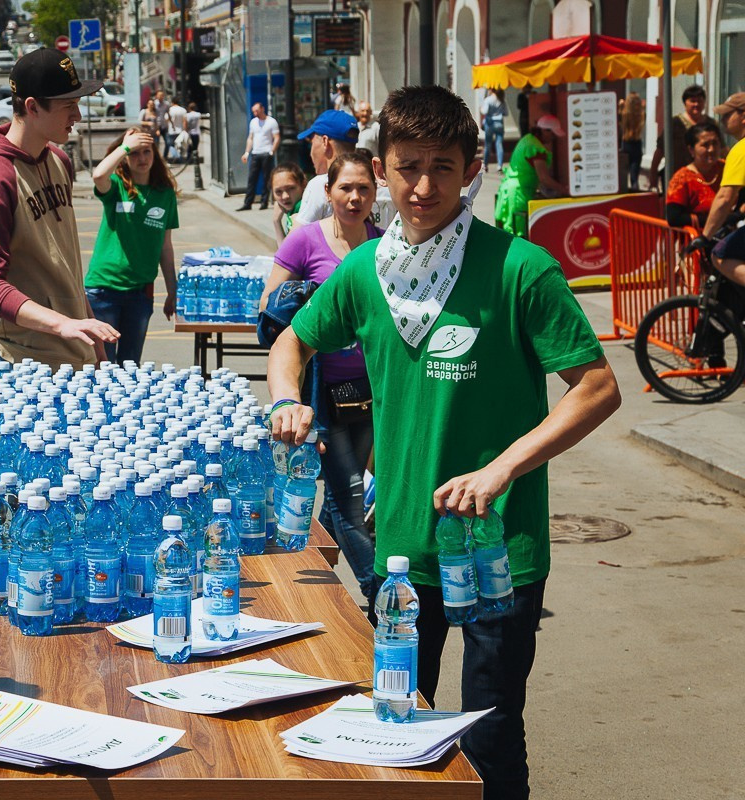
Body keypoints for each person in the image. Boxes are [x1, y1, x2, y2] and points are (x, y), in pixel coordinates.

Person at [268, 84, 620, 800]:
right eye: (408, 168)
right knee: (397, 731)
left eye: (443, 168)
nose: (424, 187)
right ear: (382, 169)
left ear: (472, 170)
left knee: (491, 737)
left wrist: (501, 469)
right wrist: (285, 399)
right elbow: (291, 343)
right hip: (403, 549)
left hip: (500, 548)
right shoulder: (365, 271)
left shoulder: (520, 268)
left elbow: (597, 387)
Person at [262, 151, 382, 606]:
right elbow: (269, 308)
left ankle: (316, 583)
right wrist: (313, 302)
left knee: (341, 496)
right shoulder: (305, 240)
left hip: (370, 393)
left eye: (364, 189)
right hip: (320, 396)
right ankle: (382, 598)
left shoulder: (385, 245)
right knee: (349, 498)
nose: (355, 197)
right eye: (345, 188)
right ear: (328, 191)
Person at [0, 48, 118, 372]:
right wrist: (62, 324)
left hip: (75, 350)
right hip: (22, 359)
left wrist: (95, 345)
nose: (78, 115)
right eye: (68, 106)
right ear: (32, 107)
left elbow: (66, 268)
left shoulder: (59, 160)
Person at [84, 128, 179, 364]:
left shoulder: (165, 194)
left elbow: (165, 247)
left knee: (130, 366)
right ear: (125, 158)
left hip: (139, 293)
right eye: (134, 153)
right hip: (104, 290)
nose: (142, 158)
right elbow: (98, 176)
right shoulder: (116, 186)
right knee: (103, 366)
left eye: (147, 152)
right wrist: (125, 146)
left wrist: (172, 290)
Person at [494, 114, 569, 237]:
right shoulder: (535, 148)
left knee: (510, 232)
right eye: (552, 134)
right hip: (519, 194)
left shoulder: (527, 139)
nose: (553, 138)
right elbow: (544, 178)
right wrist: (563, 189)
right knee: (518, 234)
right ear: (544, 131)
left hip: (510, 190)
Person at [291, 110, 358, 227]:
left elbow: (297, 236)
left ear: (325, 142)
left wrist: (293, 221)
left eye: (311, 143)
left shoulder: (319, 185)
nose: (310, 153)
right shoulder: (374, 182)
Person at [700, 92, 745, 241]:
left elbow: (725, 197)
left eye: (727, 115)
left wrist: (705, 237)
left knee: (720, 253)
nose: (723, 120)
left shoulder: (740, 150)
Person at [664, 120, 724, 228]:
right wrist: (719, 220)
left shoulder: (727, 168)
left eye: (715, 143)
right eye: (705, 145)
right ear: (691, 150)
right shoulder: (682, 178)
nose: (711, 149)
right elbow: (674, 218)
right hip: (697, 235)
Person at [648, 84, 707, 190]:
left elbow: (721, 149)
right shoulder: (674, 124)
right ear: (685, 103)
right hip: (677, 178)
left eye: (699, 101)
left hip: (704, 179)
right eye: (692, 101)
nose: (696, 104)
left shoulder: (710, 124)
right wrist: (653, 175)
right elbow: (660, 151)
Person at [238, 102, 281, 211]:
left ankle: (264, 202)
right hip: (255, 153)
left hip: (266, 153)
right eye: (253, 111)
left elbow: (276, 137)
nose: (255, 113)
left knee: (266, 178)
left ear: (262, 109)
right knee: (252, 178)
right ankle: (248, 203)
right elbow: (250, 138)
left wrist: (272, 151)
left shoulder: (271, 122)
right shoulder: (253, 122)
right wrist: (247, 152)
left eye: (257, 111)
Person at [270, 162, 307, 245]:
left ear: (303, 185)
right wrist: (276, 221)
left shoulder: (303, 211)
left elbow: (287, 251)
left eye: (291, 188)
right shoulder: (293, 210)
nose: (285, 196)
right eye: (278, 192)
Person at [620, 91, 645, 191]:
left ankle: (623, 189)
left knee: (622, 171)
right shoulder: (641, 115)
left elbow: (618, 116)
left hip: (626, 143)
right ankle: (634, 187)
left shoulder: (624, 114)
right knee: (634, 172)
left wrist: (621, 106)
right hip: (637, 143)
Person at [480, 88, 508, 173]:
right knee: (499, 144)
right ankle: (499, 166)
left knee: (488, 144)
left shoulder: (488, 99)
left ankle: (485, 165)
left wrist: (481, 108)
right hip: (499, 123)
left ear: (491, 90)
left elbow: (484, 111)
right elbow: (506, 113)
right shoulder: (502, 100)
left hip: (490, 123)